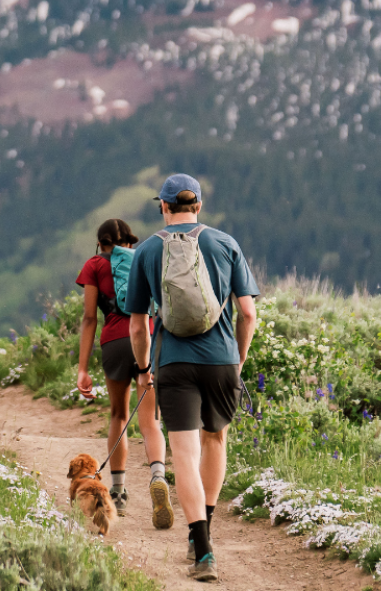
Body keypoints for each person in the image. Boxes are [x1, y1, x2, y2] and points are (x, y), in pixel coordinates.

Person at [125, 174, 259, 584]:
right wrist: (236, 362)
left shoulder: (146, 250)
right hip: (221, 360)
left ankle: (202, 550)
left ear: (163, 207)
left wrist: (144, 369)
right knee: (214, 439)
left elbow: (136, 325)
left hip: (174, 364)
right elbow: (248, 313)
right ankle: (208, 524)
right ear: (198, 205)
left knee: (182, 452)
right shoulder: (226, 244)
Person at [73, 218, 161, 510]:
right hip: (145, 337)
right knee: (149, 420)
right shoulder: (144, 260)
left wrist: (82, 368)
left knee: (118, 416)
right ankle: (158, 475)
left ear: (101, 244)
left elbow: (89, 318)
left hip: (113, 342)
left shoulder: (94, 266)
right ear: (130, 242)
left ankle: (119, 493)